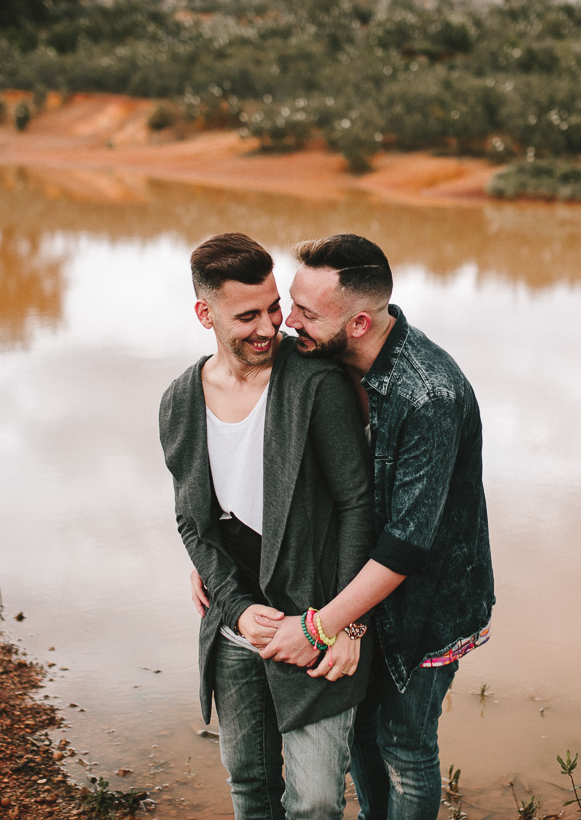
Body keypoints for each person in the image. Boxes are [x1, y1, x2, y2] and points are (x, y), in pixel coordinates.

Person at [268, 232, 496, 820]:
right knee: (362, 734)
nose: (288, 322)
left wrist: (322, 626)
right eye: (294, 303)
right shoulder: (323, 359)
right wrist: (209, 555)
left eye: (306, 312)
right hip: (356, 590)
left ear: (361, 324)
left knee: (405, 744)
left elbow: (406, 545)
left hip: (429, 604)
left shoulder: (430, 395)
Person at [159, 232, 375, 820]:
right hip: (235, 628)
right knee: (250, 785)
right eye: (247, 315)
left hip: (314, 624)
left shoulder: (315, 385)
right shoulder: (180, 400)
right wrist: (231, 605)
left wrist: (343, 623)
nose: (268, 327)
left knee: (316, 801)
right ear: (205, 314)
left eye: (274, 307)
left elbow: (358, 504)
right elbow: (191, 519)